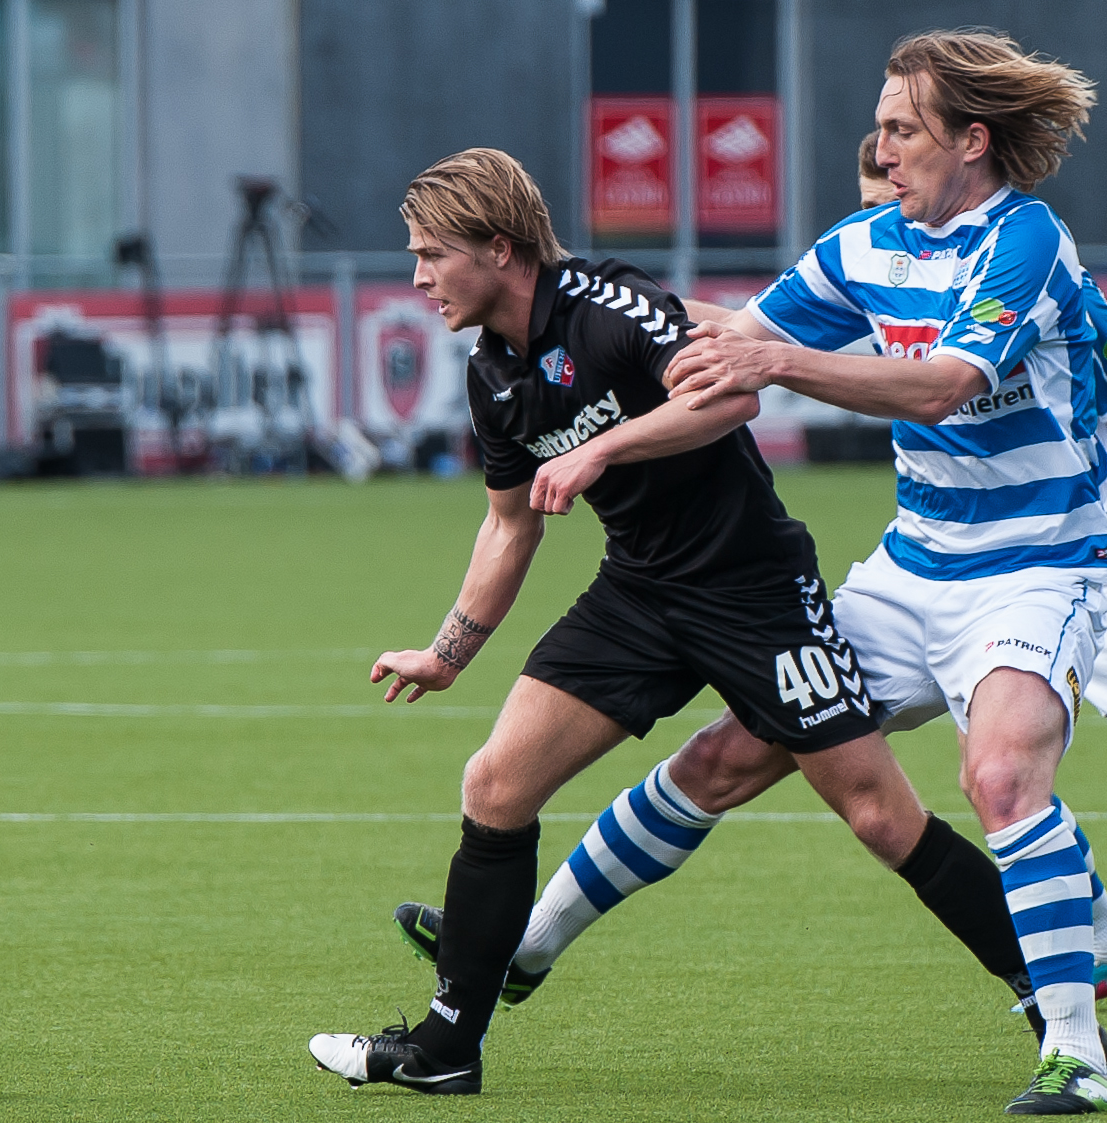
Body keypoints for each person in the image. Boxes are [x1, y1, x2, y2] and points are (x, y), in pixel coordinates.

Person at [304, 146, 1037, 1103]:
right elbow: (509, 521)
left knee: (879, 815)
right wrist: (447, 656)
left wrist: (603, 447)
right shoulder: (494, 372)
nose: (417, 277)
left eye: (433, 254)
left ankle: (1051, 994)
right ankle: (449, 1046)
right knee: (495, 781)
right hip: (639, 595)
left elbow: (733, 395)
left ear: (499, 246)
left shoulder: (608, 305)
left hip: (755, 592)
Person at [540, 29, 1107, 1114]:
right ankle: (517, 950)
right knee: (726, 753)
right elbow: (735, 330)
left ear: (971, 140)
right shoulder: (866, 243)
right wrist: (563, 294)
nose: (881, 144)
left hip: (1039, 566)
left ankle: (1078, 1055)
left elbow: (942, 384)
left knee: (998, 779)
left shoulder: (1026, 240)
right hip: (911, 568)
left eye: (903, 127)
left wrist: (778, 361)